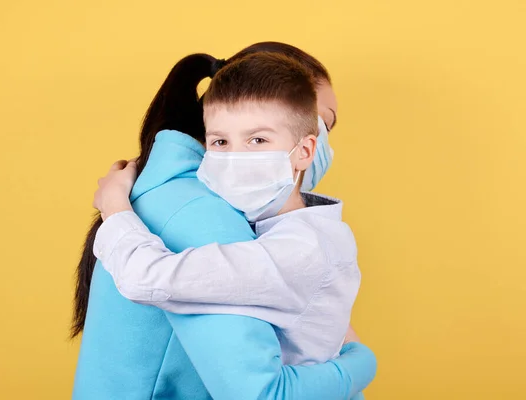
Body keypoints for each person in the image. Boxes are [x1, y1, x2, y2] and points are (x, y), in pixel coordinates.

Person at [72, 43, 376, 400]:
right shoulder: (208, 218)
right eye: (221, 141)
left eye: (258, 140)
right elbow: (261, 392)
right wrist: (359, 363)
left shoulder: (274, 232)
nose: (237, 156)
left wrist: (114, 205)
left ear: (304, 147)